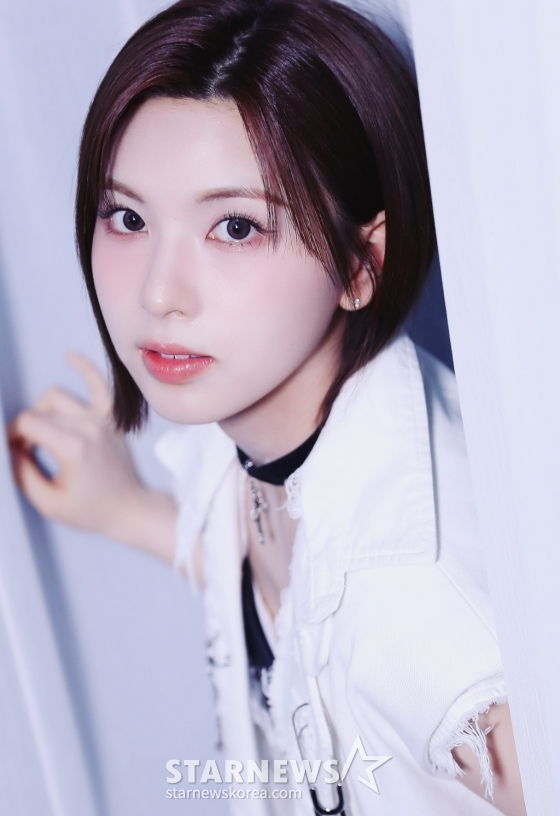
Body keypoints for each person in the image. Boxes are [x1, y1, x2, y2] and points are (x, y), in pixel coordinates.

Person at [9, 1, 526, 813]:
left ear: (362, 262)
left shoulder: (440, 625)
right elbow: (302, 601)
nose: (158, 292)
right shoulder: (269, 437)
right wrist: (132, 512)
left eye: (236, 228)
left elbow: (397, 635)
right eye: (129, 217)